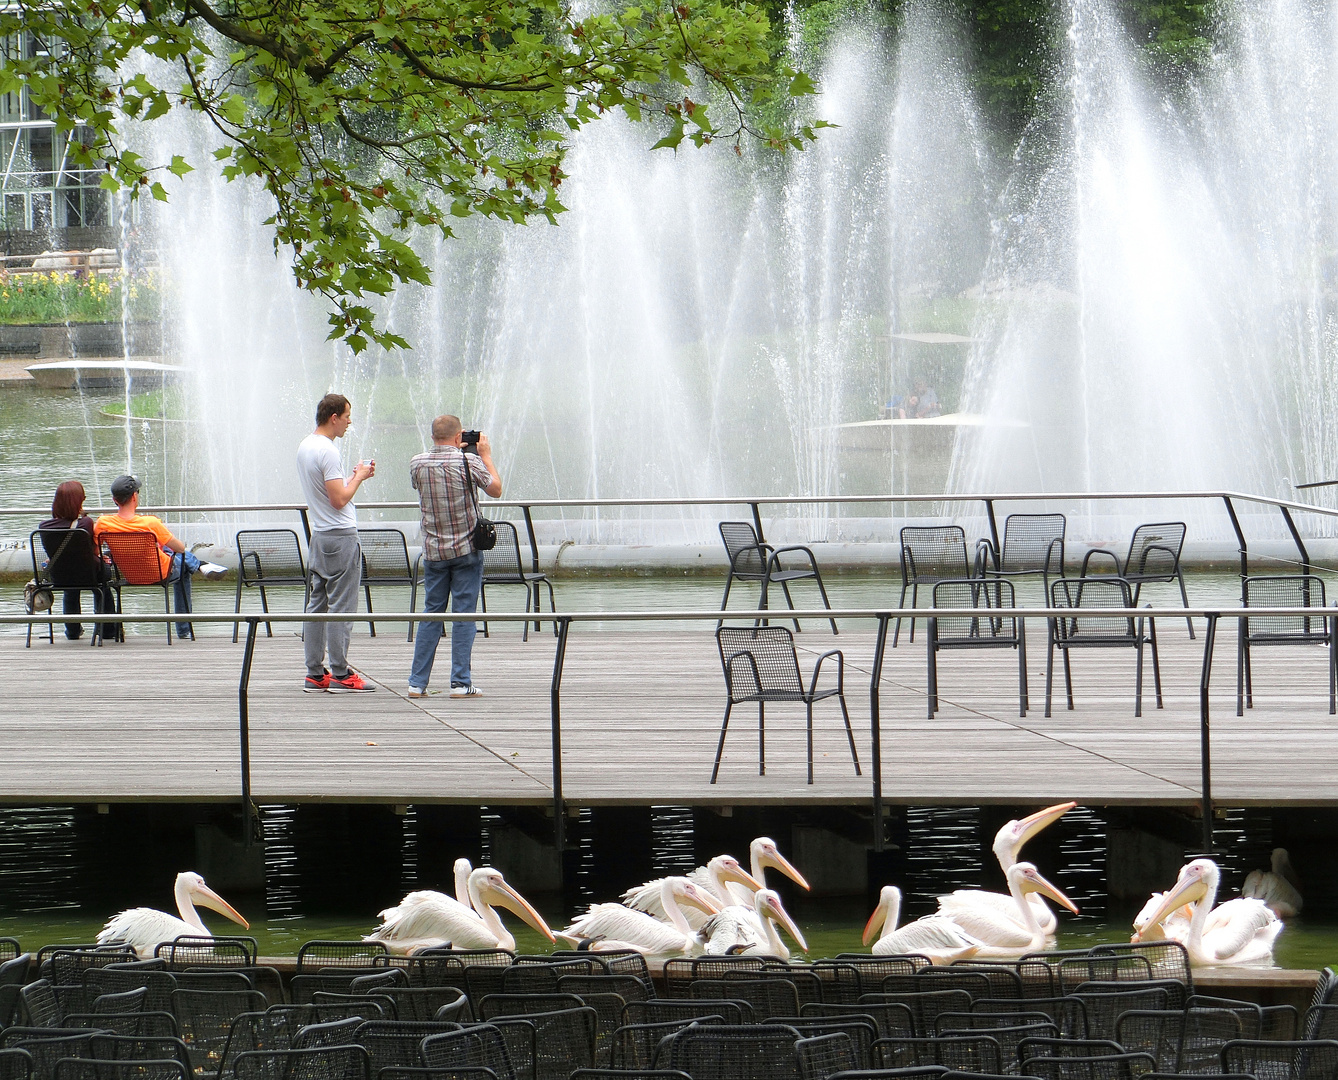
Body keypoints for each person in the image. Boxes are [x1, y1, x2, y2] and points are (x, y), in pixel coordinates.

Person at [407, 415, 502, 699]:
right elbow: (495, 489)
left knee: (431, 614)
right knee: (464, 616)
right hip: (466, 551)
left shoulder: (417, 462)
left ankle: (417, 682)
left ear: (433, 434)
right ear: (460, 435)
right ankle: (460, 683)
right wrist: (484, 454)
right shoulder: (469, 462)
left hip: (434, 551)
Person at [297, 392, 376, 693]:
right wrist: (360, 477)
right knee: (342, 607)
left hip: (319, 535)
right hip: (340, 537)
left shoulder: (305, 446)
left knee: (317, 605)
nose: (349, 422)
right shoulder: (328, 451)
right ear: (334, 418)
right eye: (346, 416)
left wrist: (353, 477)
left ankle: (315, 674)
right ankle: (342, 675)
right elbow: (339, 499)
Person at [93, 475, 227, 640]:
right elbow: (179, 548)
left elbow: (94, 551)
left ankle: (200, 565)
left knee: (170, 554)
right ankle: (184, 629)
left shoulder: (103, 523)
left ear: (114, 500)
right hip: (160, 573)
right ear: (134, 497)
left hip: (130, 575)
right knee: (182, 561)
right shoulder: (150, 523)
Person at [39, 480, 116, 641]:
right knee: (103, 584)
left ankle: (72, 631)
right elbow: (93, 550)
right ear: (79, 501)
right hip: (90, 575)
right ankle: (107, 629)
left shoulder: (44, 526)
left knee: (70, 587)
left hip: (59, 576)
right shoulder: (85, 523)